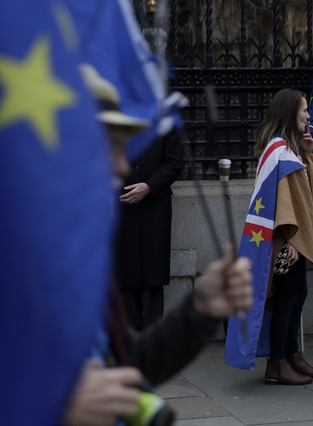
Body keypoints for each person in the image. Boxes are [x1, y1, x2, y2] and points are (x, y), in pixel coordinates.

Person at [63, 65, 253, 425]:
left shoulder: (77, 254)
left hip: (151, 214)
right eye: (111, 147)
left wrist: (202, 309)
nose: (122, 165)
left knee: (148, 285)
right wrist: (55, 405)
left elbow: (129, 360)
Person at [225, 88, 313, 385]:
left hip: (289, 238)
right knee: (287, 298)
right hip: (283, 240)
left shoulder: (289, 148)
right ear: (290, 113)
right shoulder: (278, 150)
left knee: (298, 295)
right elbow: (281, 203)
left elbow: (302, 194)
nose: (309, 116)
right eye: (304, 111)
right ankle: (276, 363)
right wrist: (288, 241)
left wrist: (307, 151)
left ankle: (291, 355)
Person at [115, 125, 184, 331]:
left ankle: (153, 347)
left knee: (152, 282)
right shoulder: (112, 121)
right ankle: (130, 346)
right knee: (124, 279)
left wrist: (149, 187)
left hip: (154, 211)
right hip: (121, 211)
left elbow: (174, 162)